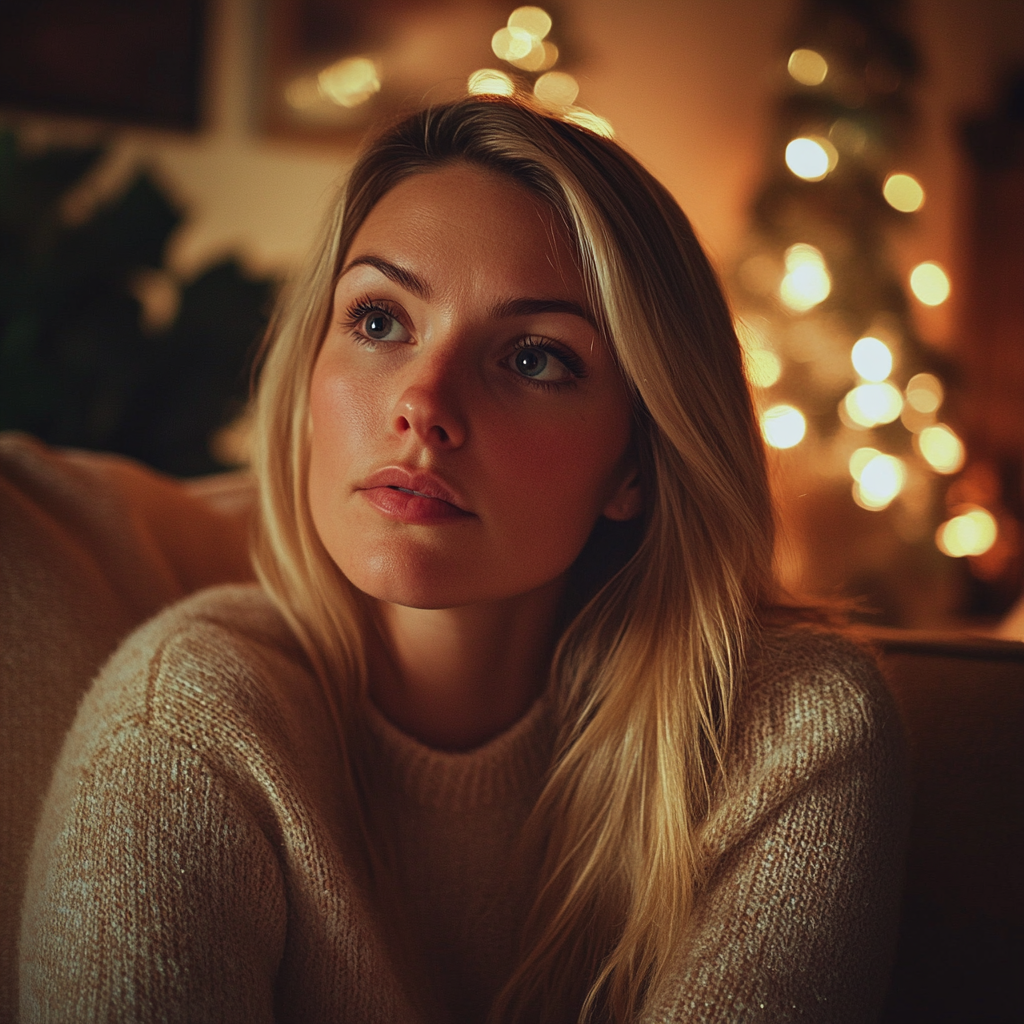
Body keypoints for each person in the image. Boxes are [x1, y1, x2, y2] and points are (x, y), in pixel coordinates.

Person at [19, 96, 906, 1023]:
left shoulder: (796, 736)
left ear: (635, 463)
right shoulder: (187, 722)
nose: (423, 404)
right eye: (378, 321)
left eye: (532, 358)